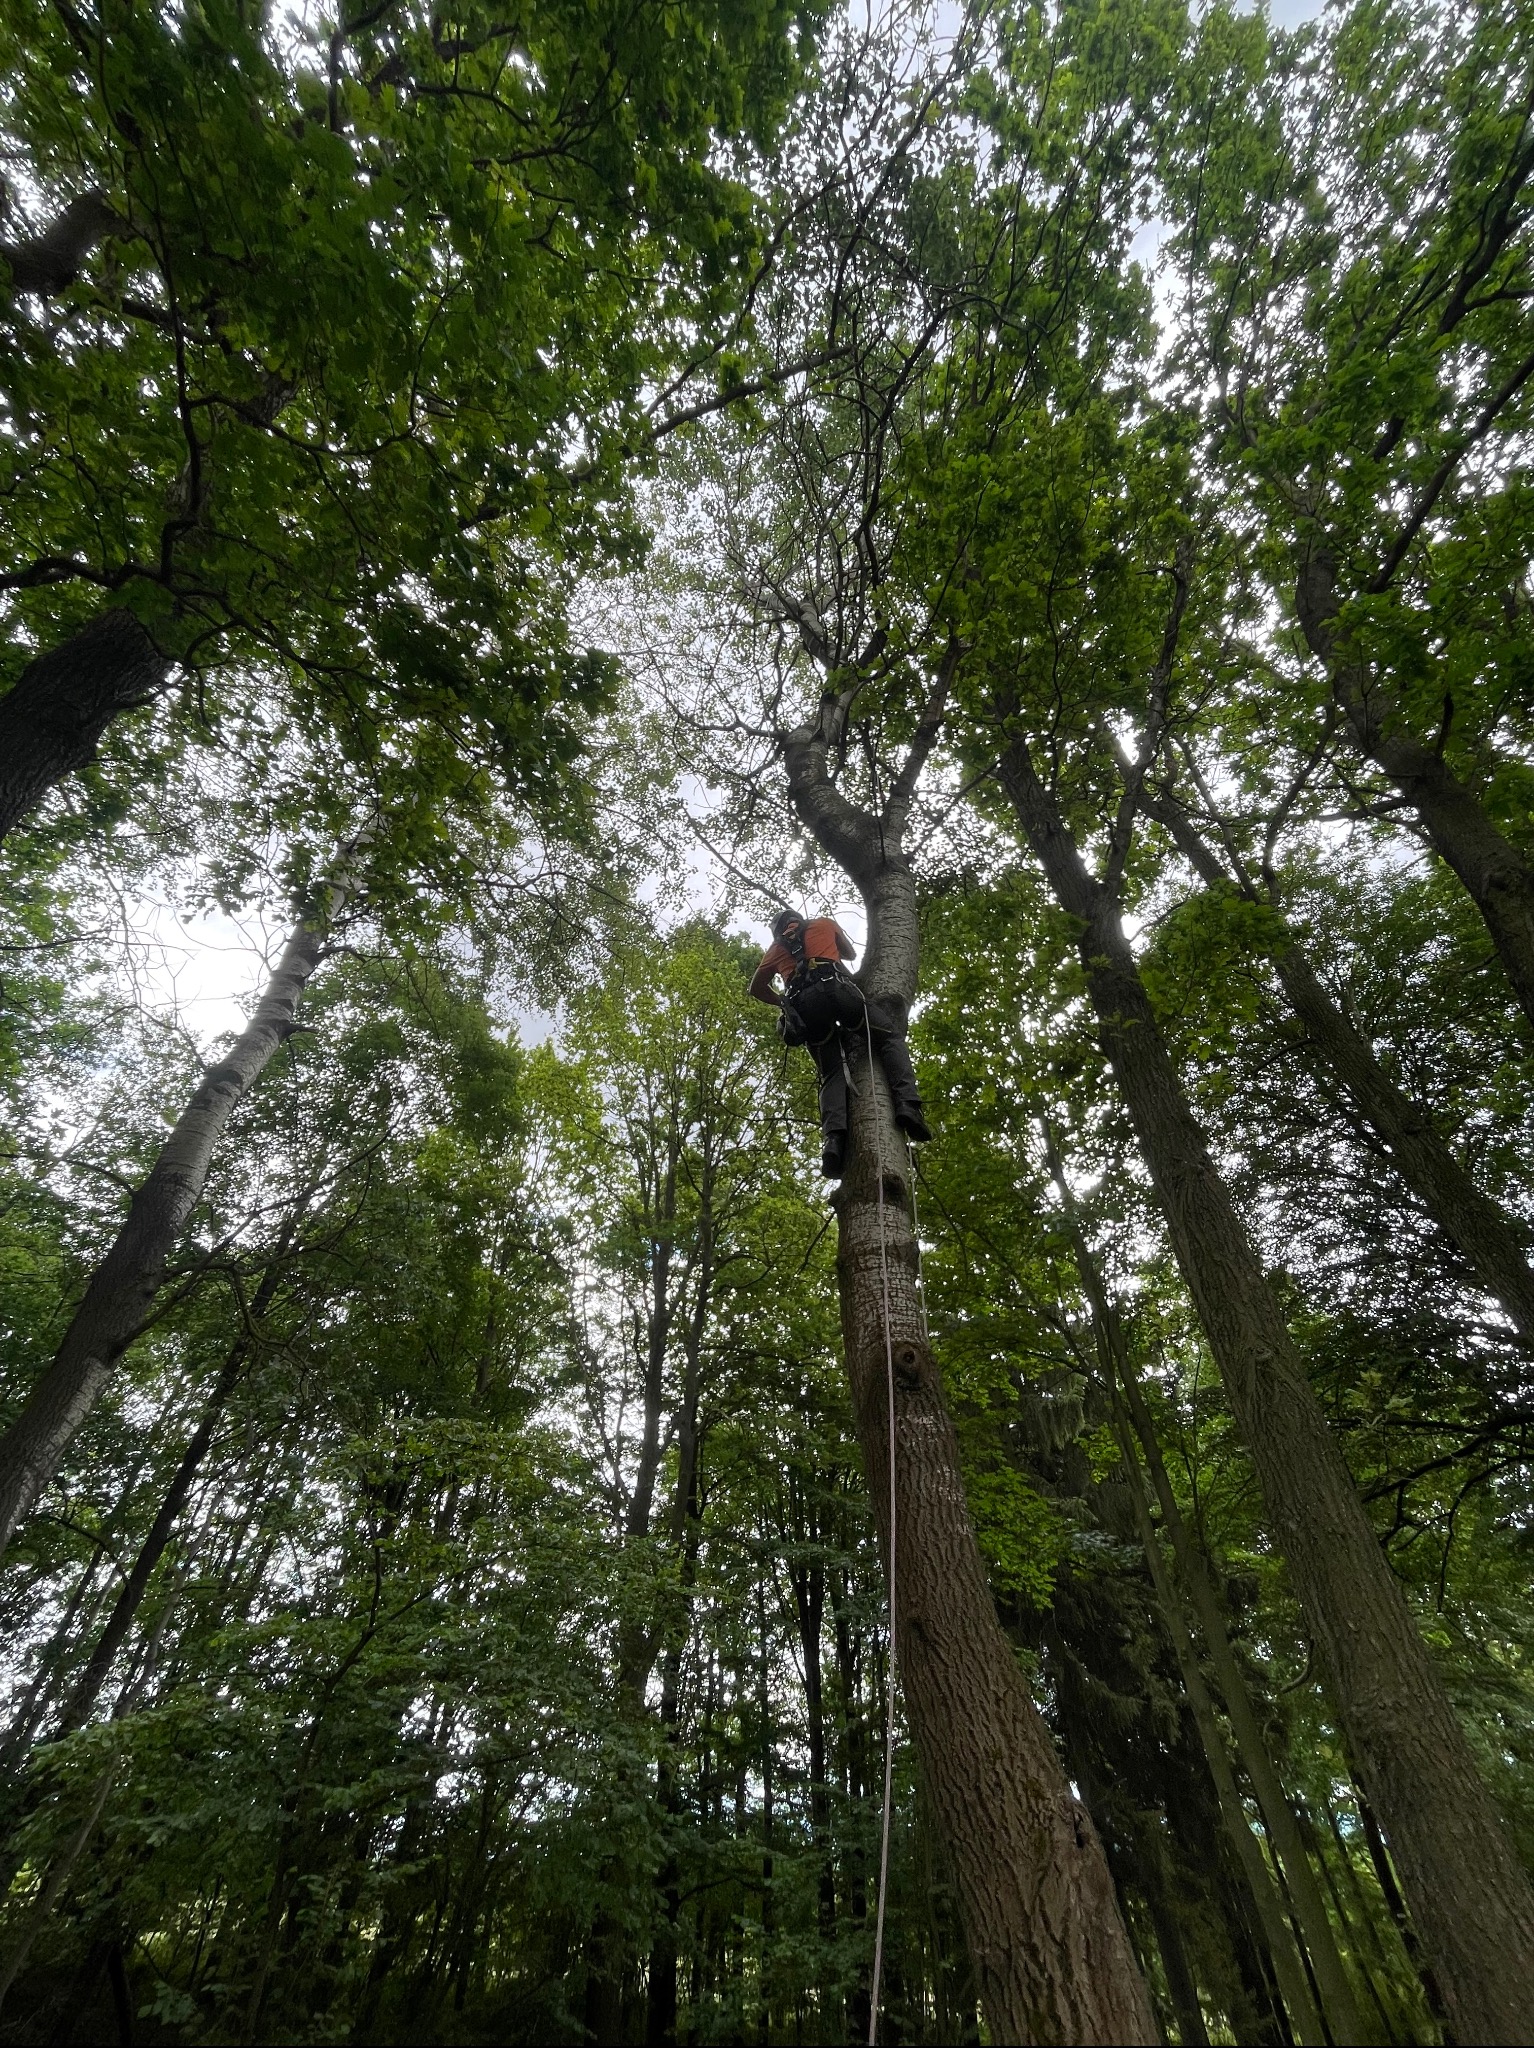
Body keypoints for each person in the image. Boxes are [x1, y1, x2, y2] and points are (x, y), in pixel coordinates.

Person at [749, 908, 931, 1177]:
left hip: (805, 1008)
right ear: (797, 919)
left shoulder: (776, 948)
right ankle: (908, 1104)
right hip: (836, 990)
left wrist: (783, 1002)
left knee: (832, 1072)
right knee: (889, 1037)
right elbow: (849, 954)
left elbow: (756, 988)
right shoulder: (823, 923)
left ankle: (833, 1142)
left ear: (778, 930)